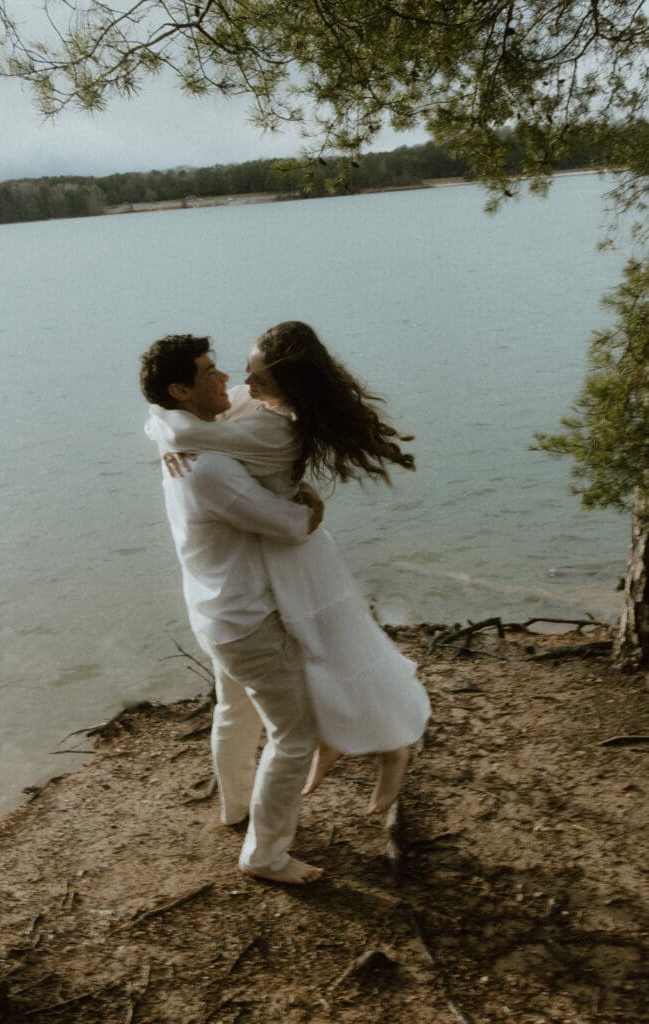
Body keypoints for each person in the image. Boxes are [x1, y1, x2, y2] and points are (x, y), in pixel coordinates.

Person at [146, 321, 431, 815]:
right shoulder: (258, 407)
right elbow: (176, 423)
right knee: (293, 672)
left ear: (286, 387)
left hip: (297, 557)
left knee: (340, 652)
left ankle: (394, 747)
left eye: (257, 377)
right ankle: (325, 745)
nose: (241, 383)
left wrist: (165, 438)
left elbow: (184, 429)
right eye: (238, 371)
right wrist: (163, 435)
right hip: (269, 563)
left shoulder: (272, 428)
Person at [140, 334, 325, 886]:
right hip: (246, 621)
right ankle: (264, 854)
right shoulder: (212, 467)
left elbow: (157, 419)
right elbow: (292, 528)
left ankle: (235, 809)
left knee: (234, 710)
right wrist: (311, 502)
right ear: (181, 390)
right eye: (210, 372)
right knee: (297, 734)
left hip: (212, 611)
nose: (227, 380)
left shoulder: (189, 438)